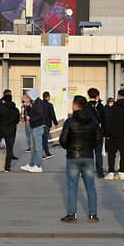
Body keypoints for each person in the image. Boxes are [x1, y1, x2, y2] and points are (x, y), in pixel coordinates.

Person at [59, 95, 101, 224]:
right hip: (88, 156)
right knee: (91, 186)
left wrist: (69, 148)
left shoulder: (70, 121)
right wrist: (90, 147)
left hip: (73, 156)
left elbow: (63, 140)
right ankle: (93, 215)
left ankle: (72, 215)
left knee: (72, 186)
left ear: (76, 105)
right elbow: (99, 139)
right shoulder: (93, 121)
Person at [106, 90, 124, 179]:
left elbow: (109, 121)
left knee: (111, 154)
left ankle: (111, 172)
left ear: (118, 96)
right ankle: (121, 172)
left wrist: (108, 134)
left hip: (114, 134)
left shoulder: (113, 107)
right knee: (123, 154)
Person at [0, 93, 20, 172]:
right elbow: (17, 121)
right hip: (12, 132)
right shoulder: (16, 110)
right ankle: (7, 167)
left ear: (4, 101)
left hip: (2, 130)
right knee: (9, 149)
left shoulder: (1, 109)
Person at [21, 89, 46, 172]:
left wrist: (31, 119)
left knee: (38, 147)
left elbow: (40, 115)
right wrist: (28, 106)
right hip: (34, 127)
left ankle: (38, 166)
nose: (28, 97)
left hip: (38, 127)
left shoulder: (39, 103)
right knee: (33, 147)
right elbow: (30, 113)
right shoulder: (34, 102)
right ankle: (32, 164)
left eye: (29, 96)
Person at [86, 87, 107, 178]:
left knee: (88, 152)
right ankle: (100, 172)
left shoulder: (86, 106)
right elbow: (105, 120)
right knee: (98, 153)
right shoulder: (100, 106)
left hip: (88, 132)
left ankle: (87, 172)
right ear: (97, 96)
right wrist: (104, 133)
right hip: (98, 131)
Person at [42, 92, 58, 159]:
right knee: (45, 140)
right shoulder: (49, 105)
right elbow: (52, 114)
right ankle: (47, 153)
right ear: (48, 97)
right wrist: (56, 123)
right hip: (46, 124)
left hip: (39, 124)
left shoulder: (39, 104)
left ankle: (40, 154)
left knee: (40, 140)